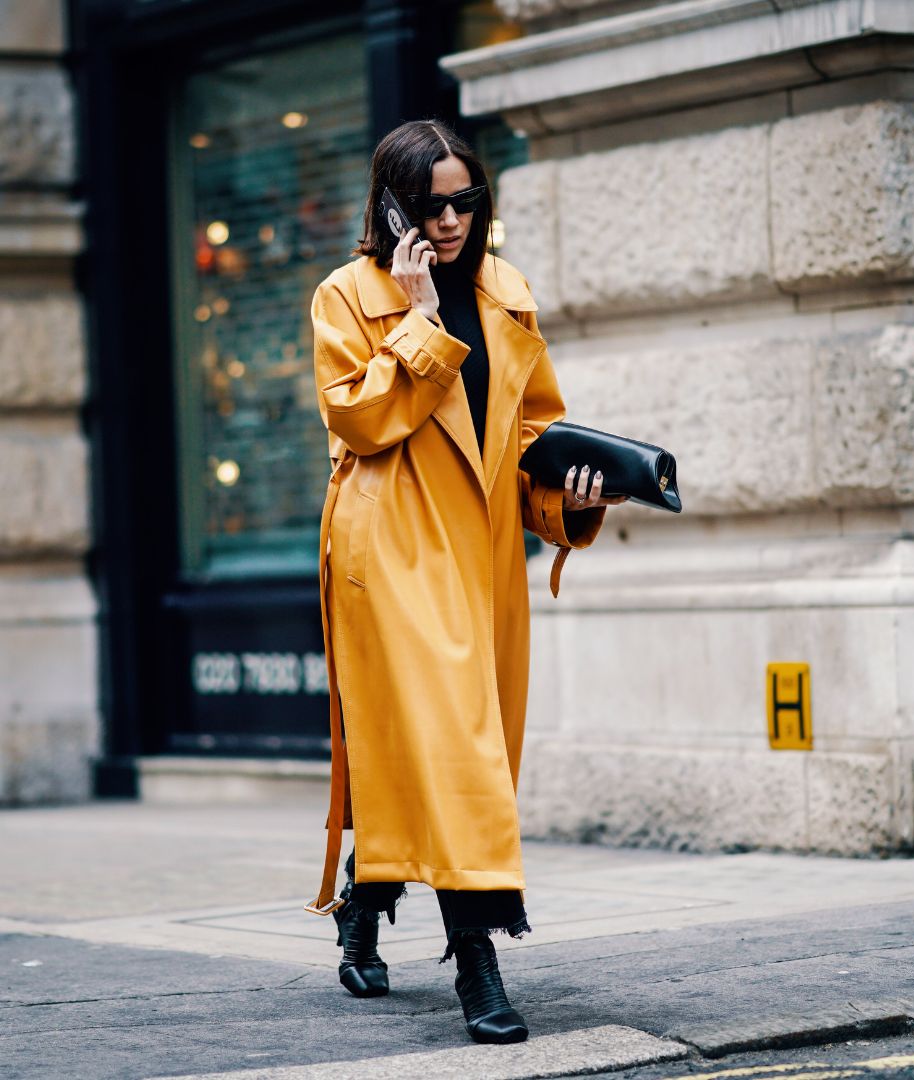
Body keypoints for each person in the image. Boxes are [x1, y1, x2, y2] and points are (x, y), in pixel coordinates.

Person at [307, 119, 627, 1045]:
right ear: (392, 206)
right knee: (458, 751)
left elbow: (529, 436)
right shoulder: (345, 296)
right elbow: (361, 422)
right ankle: (478, 969)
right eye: (432, 203)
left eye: (465, 200)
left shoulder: (507, 291)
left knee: (451, 754)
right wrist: (417, 320)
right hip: (392, 548)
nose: (450, 220)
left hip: (482, 550)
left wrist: (571, 495)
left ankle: (367, 896)